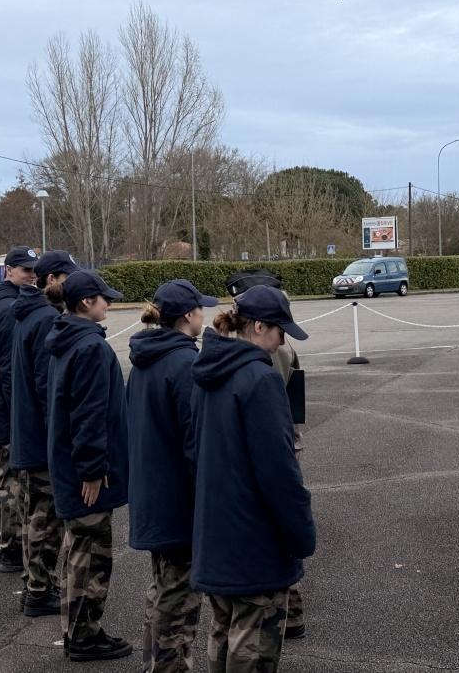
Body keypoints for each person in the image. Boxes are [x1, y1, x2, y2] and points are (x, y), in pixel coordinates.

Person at [191, 285, 316, 672]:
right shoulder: (260, 381)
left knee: (223, 633)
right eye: (280, 330)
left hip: (216, 531)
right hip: (254, 540)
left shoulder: (207, 373)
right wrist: (301, 534)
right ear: (259, 326)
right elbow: (279, 472)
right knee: (254, 647)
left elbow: (193, 449)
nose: (282, 340)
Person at [127, 279, 218, 672]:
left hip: (151, 492)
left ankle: (154, 663)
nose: (205, 315)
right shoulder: (185, 364)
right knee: (179, 598)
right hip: (179, 498)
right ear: (187, 316)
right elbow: (195, 439)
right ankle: (169, 666)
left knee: (162, 587)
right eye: (201, 309)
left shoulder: (145, 361)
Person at [46, 270, 132, 662]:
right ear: (86, 302)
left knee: (77, 551)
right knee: (92, 555)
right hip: (86, 473)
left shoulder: (67, 342)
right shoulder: (91, 348)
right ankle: (85, 635)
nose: (108, 303)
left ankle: (77, 632)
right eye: (103, 298)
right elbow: (89, 414)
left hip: (68, 465)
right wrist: (93, 470)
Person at [224, 270, 308, 640]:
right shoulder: (278, 349)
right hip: (277, 445)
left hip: (266, 451)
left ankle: (287, 610)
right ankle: (290, 610)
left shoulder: (259, 356)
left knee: (274, 533)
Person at [9, 250, 80, 617]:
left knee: (35, 511)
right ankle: (39, 588)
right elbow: (45, 385)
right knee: (44, 515)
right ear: (51, 280)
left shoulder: (29, 313)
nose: (71, 283)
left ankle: (35, 584)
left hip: (29, 431)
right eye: (66, 277)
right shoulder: (45, 319)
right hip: (41, 436)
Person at [0, 245, 37, 573]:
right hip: (11, 413)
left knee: (11, 480)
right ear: (8, 270)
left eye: (33, 270)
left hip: (4, 410)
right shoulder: (9, 308)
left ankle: (11, 546)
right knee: (15, 483)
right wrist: (22, 414)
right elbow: (11, 369)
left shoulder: (2, 301)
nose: (31, 275)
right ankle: (11, 549)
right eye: (25, 269)